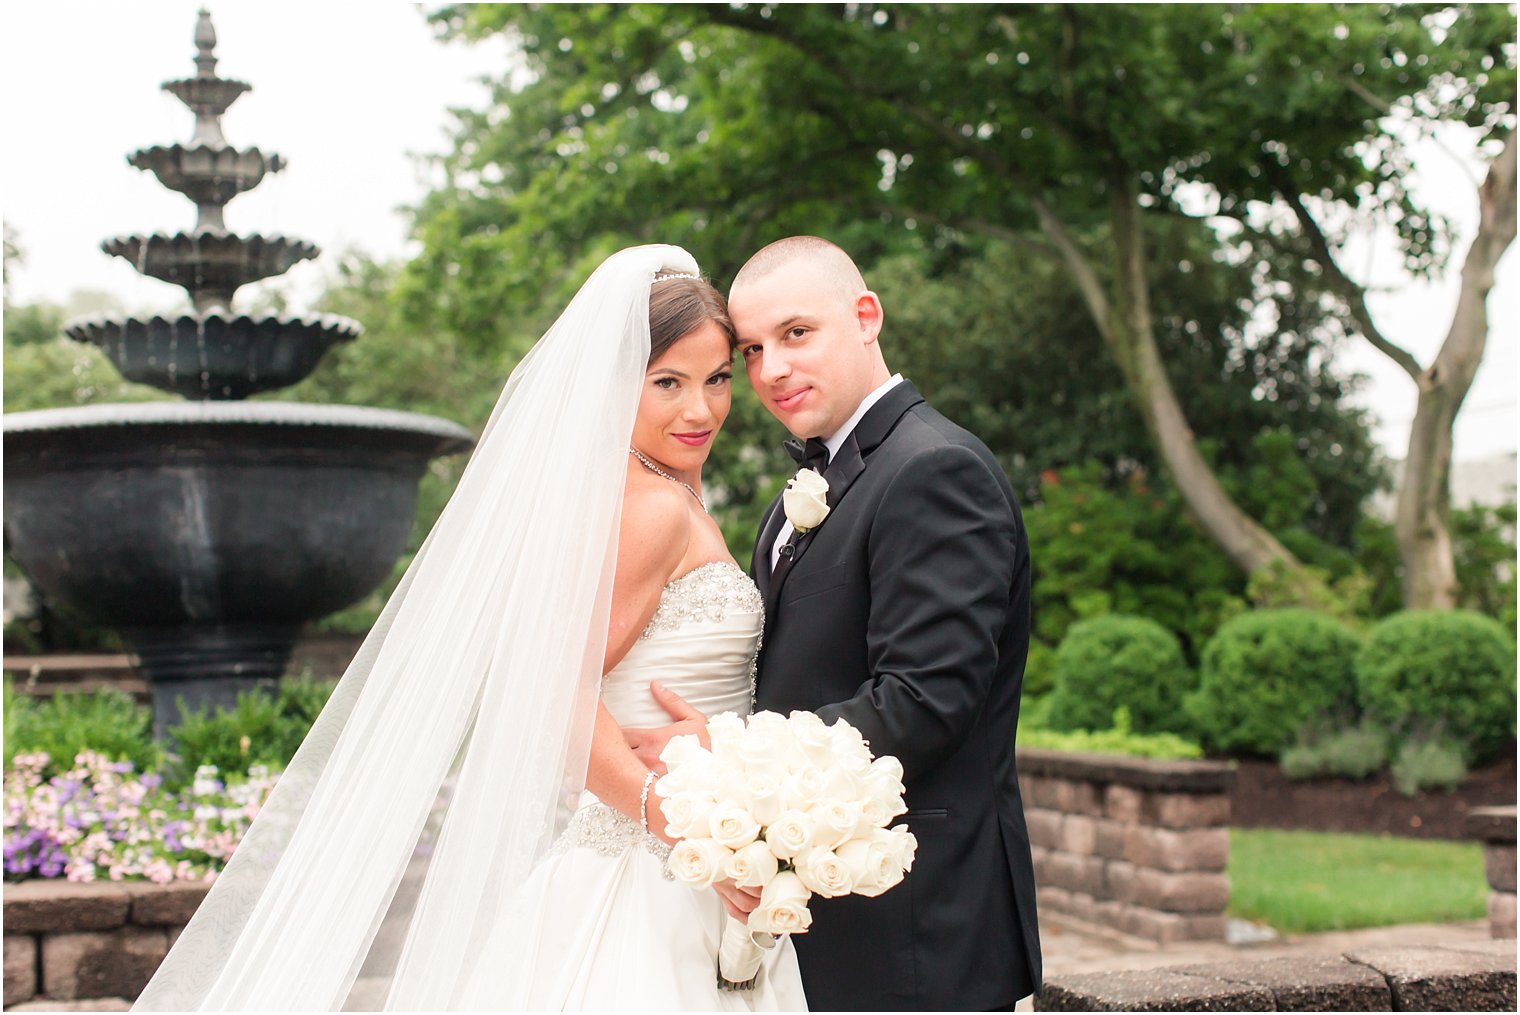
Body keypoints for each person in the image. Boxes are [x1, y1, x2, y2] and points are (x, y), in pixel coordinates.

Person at [133, 246, 805, 1011]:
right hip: (653, 871)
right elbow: (552, 698)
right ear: (616, 385)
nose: (701, 409)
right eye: (667, 383)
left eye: (717, 378)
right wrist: (690, 830)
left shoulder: (661, 492)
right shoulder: (649, 509)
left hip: (679, 863)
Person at [628, 236, 1041, 1010]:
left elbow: (922, 703)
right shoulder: (817, 483)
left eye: (795, 333)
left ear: (865, 316)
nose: (771, 369)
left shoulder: (934, 469)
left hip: (917, 926)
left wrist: (723, 750)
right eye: (751, 350)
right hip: (820, 914)